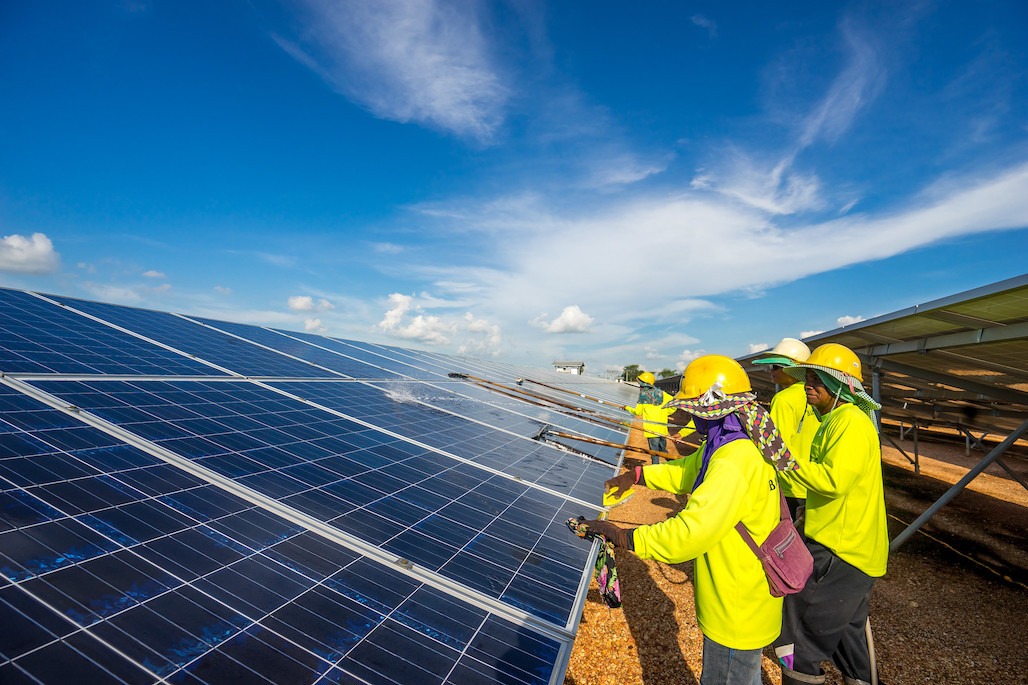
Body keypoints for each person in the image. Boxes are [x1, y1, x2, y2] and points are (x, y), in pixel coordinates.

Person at [585, 355, 785, 685]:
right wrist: (638, 475)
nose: (689, 415)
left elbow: (690, 532)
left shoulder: (732, 462)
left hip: (735, 607)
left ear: (711, 409)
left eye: (693, 408)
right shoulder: (731, 445)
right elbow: (687, 471)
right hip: (746, 596)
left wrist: (625, 537)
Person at [773, 343, 888, 685]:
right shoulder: (837, 420)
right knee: (848, 640)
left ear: (841, 385)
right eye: (807, 378)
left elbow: (834, 481)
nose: (808, 386)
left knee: (796, 642)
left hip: (838, 549)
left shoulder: (849, 422)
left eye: (817, 379)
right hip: (855, 549)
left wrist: (783, 461)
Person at [751, 338, 821, 521]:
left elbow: (773, 445)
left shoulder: (783, 399)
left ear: (793, 370)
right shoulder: (820, 396)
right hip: (813, 480)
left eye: (776, 367)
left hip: (789, 482)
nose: (771, 371)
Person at [623, 371, 675, 464]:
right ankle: (674, 465)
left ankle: (655, 468)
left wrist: (627, 408)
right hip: (662, 429)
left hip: (651, 430)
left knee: (654, 453)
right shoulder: (662, 393)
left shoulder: (643, 396)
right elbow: (674, 404)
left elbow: (638, 412)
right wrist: (666, 412)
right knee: (663, 450)